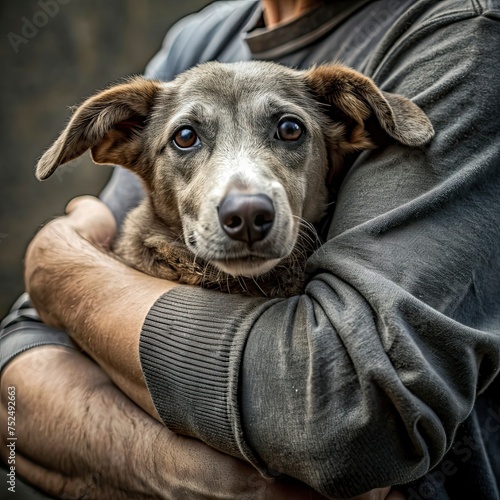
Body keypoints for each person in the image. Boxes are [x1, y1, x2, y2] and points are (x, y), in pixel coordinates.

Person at [1, 0, 500, 498]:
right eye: (187, 137)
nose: (244, 202)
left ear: (349, 129)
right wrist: (218, 482)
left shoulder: (460, 31)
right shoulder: (199, 40)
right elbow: (14, 391)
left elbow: (345, 417)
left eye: (287, 130)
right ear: (122, 138)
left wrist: (63, 270)